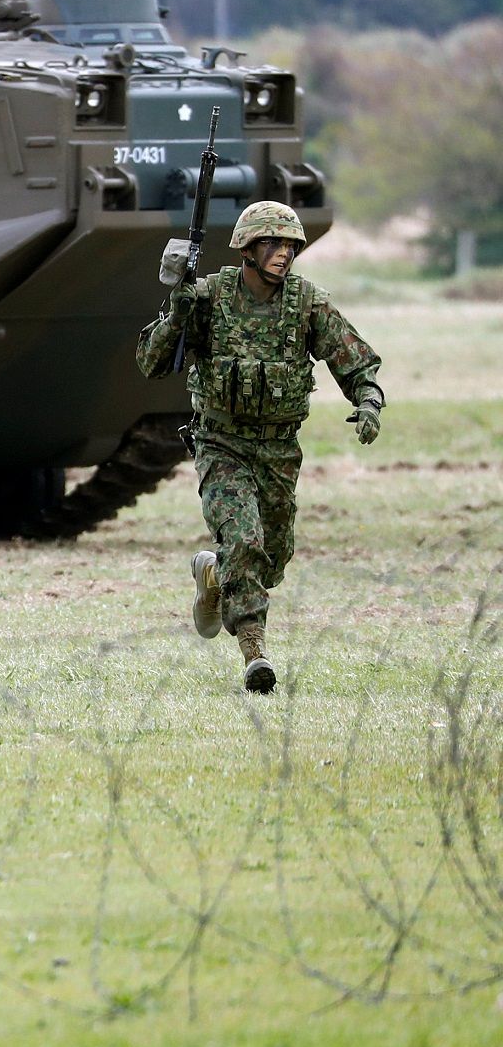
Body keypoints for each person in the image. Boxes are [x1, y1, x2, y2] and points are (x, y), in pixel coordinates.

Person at [135, 200, 384, 693]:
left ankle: (213, 576)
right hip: (220, 443)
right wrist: (177, 308)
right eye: (272, 243)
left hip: (278, 449)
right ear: (247, 249)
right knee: (243, 541)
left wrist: (369, 400)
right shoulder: (208, 297)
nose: (283, 253)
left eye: (291, 245)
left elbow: (352, 357)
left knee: (270, 559)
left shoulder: (306, 302)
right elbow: (150, 362)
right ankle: (256, 654)